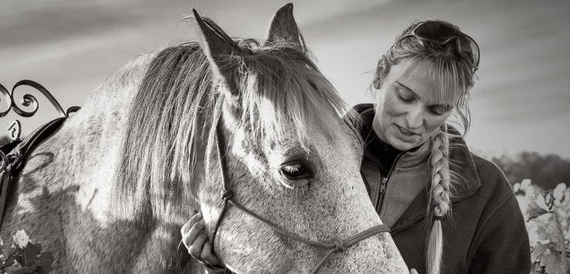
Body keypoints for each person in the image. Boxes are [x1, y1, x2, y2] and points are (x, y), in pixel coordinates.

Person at [180, 19, 531, 273]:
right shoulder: (308, 163)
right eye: (405, 96)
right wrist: (222, 266)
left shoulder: (485, 193)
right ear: (379, 77)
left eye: (436, 109)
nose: (413, 120)